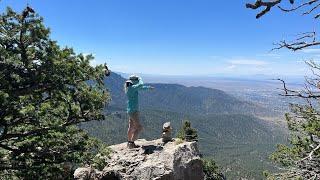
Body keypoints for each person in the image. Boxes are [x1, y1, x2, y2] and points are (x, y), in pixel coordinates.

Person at [124, 75, 154, 149]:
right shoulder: (132, 88)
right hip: (134, 111)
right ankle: (131, 143)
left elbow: (141, 87)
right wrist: (140, 79)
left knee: (131, 127)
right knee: (139, 128)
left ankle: (129, 142)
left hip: (130, 110)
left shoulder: (129, 88)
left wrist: (148, 88)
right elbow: (141, 85)